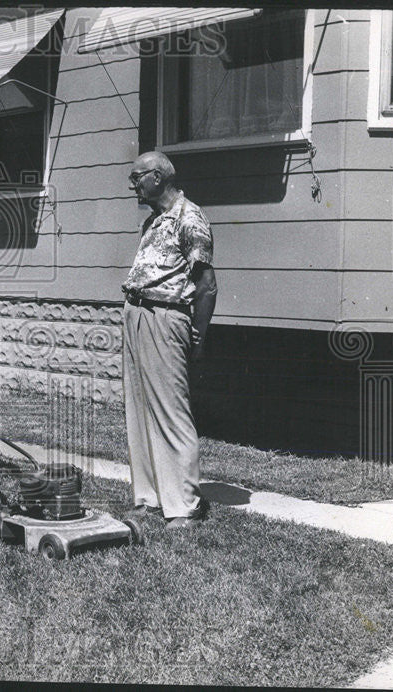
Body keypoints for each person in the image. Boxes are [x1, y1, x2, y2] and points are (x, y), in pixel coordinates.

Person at [122, 151, 217, 530]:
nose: (133, 184)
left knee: (171, 411)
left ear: (158, 177)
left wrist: (198, 335)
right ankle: (150, 497)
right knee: (140, 409)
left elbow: (207, 286)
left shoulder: (189, 218)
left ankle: (185, 505)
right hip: (137, 313)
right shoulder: (154, 220)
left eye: (137, 177)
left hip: (166, 317)